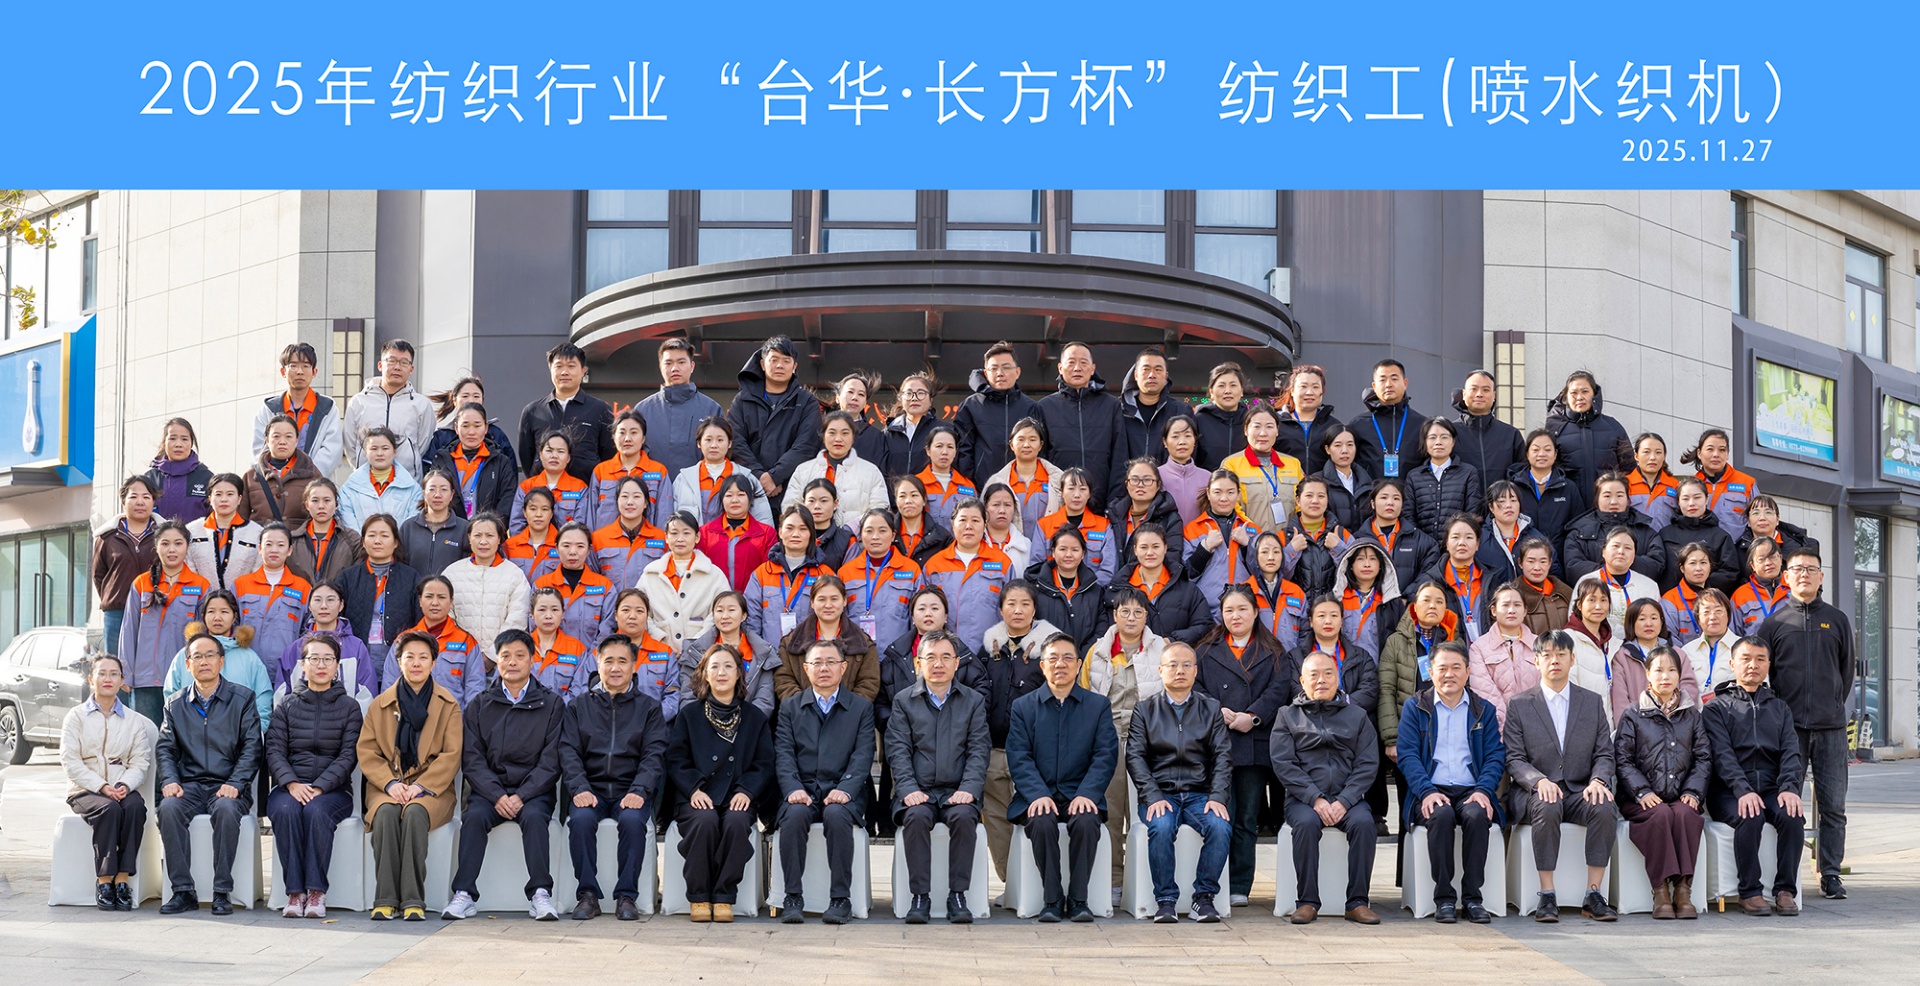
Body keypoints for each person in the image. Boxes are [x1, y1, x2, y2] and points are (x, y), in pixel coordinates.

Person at [442, 629, 567, 921]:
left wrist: (522, 796)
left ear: (532, 660)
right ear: (496, 661)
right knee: (474, 818)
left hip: (533, 793)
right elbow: (472, 758)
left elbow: (551, 761)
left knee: (535, 819)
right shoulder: (480, 704)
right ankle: (464, 894)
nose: (512, 662)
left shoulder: (551, 704)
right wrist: (497, 795)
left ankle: (540, 893)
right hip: (490, 792)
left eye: (520, 656)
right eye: (505, 656)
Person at [1502, 629, 1620, 922]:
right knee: (1548, 804)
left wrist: (1598, 780)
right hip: (1535, 792)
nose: (1554, 660)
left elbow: (1604, 753)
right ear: (1536, 661)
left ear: (1572, 659)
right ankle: (1547, 893)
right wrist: (1537, 780)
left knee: (1604, 805)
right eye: (1547, 655)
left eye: (1561, 655)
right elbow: (1514, 757)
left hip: (1580, 789)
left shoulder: (1591, 702)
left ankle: (1593, 894)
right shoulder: (1519, 704)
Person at [1758, 547, 1853, 900]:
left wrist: (1831, 706)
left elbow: (1845, 673)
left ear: (1821, 576)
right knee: (1786, 804)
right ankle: (1787, 876)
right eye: (1797, 569)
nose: (1804, 574)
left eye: (1811, 569)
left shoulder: (1837, 620)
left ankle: (1830, 874)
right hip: (1789, 731)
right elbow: (1765, 674)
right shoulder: (1775, 623)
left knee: (1834, 806)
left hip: (1831, 729)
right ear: (1786, 577)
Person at [1005, 633, 1118, 922]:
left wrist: (1087, 793)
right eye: (1053, 658)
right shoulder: (1024, 707)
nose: (1060, 664)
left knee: (1087, 821)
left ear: (1079, 665)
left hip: (1080, 793)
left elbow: (1105, 755)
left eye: (1068, 658)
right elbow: (1018, 756)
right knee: (1041, 821)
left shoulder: (1097, 706)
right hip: (1037, 795)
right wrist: (1037, 794)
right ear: (1042, 665)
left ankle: (1079, 900)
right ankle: (1052, 899)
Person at [1394, 641, 1504, 924]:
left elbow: (1495, 756)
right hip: (1430, 789)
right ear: (1430, 672)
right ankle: (1444, 898)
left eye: (1457, 667)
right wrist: (1426, 791)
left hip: (1471, 790)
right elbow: (1408, 756)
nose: (1449, 674)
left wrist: (1483, 790)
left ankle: (1472, 899)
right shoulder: (1415, 707)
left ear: (1468, 671)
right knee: (1440, 815)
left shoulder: (1483, 710)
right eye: (1442, 668)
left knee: (1478, 816)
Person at [559, 634, 668, 920]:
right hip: (590, 789)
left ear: (634, 666)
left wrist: (640, 790)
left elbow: (654, 755)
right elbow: (568, 752)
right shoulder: (579, 706)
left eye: (623, 661)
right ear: (598, 664)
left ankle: (626, 896)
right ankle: (587, 895)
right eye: (609, 661)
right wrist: (579, 788)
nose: (615, 668)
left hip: (630, 789)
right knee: (581, 821)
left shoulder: (649, 708)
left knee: (632, 822)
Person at [358, 630, 464, 921]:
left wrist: (420, 786)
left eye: (423, 657)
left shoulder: (448, 705)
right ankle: (385, 899)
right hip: (387, 786)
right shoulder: (380, 704)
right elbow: (367, 752)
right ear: (399, 662)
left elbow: (451, 754)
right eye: (410, 657)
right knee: (386, 814)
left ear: (433, 662)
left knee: (416, 813)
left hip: (432, 790)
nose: (416, 663)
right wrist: (390, 784)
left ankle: (413, 900)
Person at [1123, 640, 1231, 923]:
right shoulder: (1145, 710)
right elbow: (1135, 757)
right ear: (1160, 670)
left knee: (1220, 827)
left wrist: (1217, 797)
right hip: (1161, 794)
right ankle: (1166, 900)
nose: (1179, 670)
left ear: (1195, 671)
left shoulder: (1210, 708)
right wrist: (1152, 796)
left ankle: (1203, 898)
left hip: (1200, 794)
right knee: (1161, 827)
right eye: (1172, 665)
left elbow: (1222, 756)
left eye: (1186, 665)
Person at [1270, 651, 1381, 925]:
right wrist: (1315, 799)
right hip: (1303, 800)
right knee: (1307, 824)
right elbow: (1284, 764)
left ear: (1338, 678)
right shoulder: (1287, 716)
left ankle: (1357, 902)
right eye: (1314, 675)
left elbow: (1367, 764)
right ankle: (1307, 901)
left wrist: (1345, 800)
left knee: (1364, 823)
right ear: (1302, 681)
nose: (1321, 680)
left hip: (1348, 799)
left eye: (1328, 673)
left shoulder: (1358, 716)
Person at [155, 632, 263, 916]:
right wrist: (170, 780)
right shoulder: (175, 704)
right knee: (168, 808)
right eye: (197, 657)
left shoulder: (242, 699)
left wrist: (236, 783)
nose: (204, 662)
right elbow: (165, 748)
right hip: (189, 785)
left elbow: (252, 747)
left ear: (221, 661)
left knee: (226, 809)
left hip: (228, 785)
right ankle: (183, 891)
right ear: (187, 664)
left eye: (210, 655)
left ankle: (222, 891)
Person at [1192, 586, 1287, 906]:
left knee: (1246, 818)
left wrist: (1254, 716)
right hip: (1217, 742)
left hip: (1253, 743)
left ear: (1255, 612)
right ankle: (1213, 881)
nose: (1236, 616)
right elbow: (1195, 685)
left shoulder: (1273, 650)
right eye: (1229, 610)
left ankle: (1240, 885)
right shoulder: (1206, 649)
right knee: (1221, 815)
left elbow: (1279, 689)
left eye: (1242, 609)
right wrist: (1215, 709)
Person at [666, 644, 775, 923]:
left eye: (728, 666)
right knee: (704, 821)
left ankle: (724, 895)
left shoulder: (754, 717)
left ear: (739, 673)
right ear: (704, 674)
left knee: (737, 822)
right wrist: (693, 789)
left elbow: (764, 762)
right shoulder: (689, 715)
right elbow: (676, 759)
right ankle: (699, 896)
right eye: (714, 666)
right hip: (696, 795)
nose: (721, 672)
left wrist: (747, 791)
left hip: (738, 794)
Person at [888, 629, 991, 924]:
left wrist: (969, 788)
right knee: (916, 817)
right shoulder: (904, 701)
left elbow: (978, 750)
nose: (938, 664)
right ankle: (920, 896)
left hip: (958, 790)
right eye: (930, 657)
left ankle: (957, 895)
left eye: (946, 657)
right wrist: (908, 788)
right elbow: (898, 751)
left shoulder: (973, 701)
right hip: (917, 790)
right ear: (918, 663)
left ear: (957, 663)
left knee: (964, 817)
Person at [771, 640, 875, 925]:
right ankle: (792, 897)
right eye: (817, 663)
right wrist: (793, 788)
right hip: (802, 788)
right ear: (806, 669)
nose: (824, 668)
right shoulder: (790, 707)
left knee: (837, 815)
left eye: (831, 662)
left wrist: (846, 789)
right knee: (794, 816)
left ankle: (840, 899)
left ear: (843, 667)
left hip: (844, 790)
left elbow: (863, 755)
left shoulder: (860, 708)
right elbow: (784, 753)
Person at [1701, 636, 1807, 916]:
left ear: (1768, 665)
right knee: (1751, 815)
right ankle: (1749, 892)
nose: (1753, 665)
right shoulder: (1716, 708)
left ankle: (1785, 890)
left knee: (1792, 816)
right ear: (1732, 664)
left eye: (1760, 659)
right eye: (1746, 659)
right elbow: (1722, 755)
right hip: (1728, 791)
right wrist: (1742, 789)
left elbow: (1791, 752)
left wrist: (1789, 787)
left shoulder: (1780, 708)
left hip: (1771, 787)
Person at [265, 634, 364, 918]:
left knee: (316, 812)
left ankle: (316, 891)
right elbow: (274, 750)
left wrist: (320, 786)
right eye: (314, 659)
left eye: (327, 659)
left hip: (333, 791)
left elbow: (348, 755)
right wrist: (291, 783)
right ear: (303, 665)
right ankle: (295, 893)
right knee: (286, 810)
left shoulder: (350, 707)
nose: (321, 665)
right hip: (290, 787)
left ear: (337, 667)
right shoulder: (286, 705)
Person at [1613, 645, 1709, 920]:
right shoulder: (1633, 714)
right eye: (1658, 670)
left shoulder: (1691, 714)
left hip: (1680, 794)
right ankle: (1661, 890)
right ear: (1647, 674)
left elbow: (1703, 758)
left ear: (1680, 675)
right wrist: (1641, 791)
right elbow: (1623, 760)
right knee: (1661, 815)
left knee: (1686, 815)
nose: (1665, 676)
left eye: (1671, 670)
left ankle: (1683, 890)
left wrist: (1693, 792)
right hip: (1640, 798)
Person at [60, 654, 155, 911]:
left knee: (135, 807)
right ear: (91, 679)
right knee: (109, 809)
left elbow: (140, 762)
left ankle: (122, 880)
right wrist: (101, 786)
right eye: (102, 673)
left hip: (121, 786)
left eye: (114, 674)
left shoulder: (133, 720)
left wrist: (124, 785)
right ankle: (104, 881)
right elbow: (70, 762)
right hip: (85, 790)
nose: (108, 679)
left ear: (122, 680)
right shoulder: (76, 717)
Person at [978, 587, 1056, 884]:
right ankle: (1011, 884)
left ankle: (1037, 885)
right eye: (1011, 603)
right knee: (996, 821)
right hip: (994, 748)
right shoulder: (988, 648)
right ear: (1001, 610)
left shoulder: (1050, 650)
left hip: (1034, 752)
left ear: (1035, 609)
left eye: (1025, 603)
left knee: (1035, 816)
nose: (1018, 610)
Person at [120, 522, 210, 725]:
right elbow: (129, 630)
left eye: (178, 543)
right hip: (145, 680)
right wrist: (126, 673)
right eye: (165, 543)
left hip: (184, 680)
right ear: (156, 546)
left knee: (182, 737)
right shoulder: (141, 583)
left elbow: (204, 639)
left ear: (187, 546)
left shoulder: (201, 586)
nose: (172, 550)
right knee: (146, 736)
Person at [1377, 579, 1460, 778]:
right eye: (1426, 600)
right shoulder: (1396, 641)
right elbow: (1387, 689)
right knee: (1409, 791)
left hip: (1447, 733)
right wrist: (1392, 738)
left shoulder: (1455, 643)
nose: (1433, 606)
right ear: (1414, 607)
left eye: (1439, 602)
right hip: (1408, 732)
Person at [727, 335, 824, 500]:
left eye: (786, 361)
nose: (780, 365)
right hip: (748, 490)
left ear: (794, 366)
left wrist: (776, 476)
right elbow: (735, 441)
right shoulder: (743, 400)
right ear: (762, 364)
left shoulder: (806, 402)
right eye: (774, 360)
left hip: (792, 489)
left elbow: (806, 445)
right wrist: (759, 476)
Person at [161, 592, 275, 733]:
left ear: (234, 617)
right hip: (191, 737)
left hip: (238, 739)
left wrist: (252, 736)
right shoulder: (185, 655)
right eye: (211, 611)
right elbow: (171, 696)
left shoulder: (250, 658)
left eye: (224, 612)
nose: (217, 617)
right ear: (203, 616)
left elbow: (263, 702)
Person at [1035, 343, 1127, 506]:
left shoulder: (1111, 406)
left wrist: (1114, 502)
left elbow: (1120, 457)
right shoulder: (1045, 407)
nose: (1077, 368)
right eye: (1071, 362)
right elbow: (1041, 458)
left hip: (1102, 502)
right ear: (1060, 368)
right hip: (1059, 502)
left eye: (1083, 363)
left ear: (1092, 369)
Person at [516, 342, 616, 484]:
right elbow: (527, 458)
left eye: (571, 366)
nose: (564, 372)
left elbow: (609, 457)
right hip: (543, 494)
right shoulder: (532, 412)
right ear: (550, 369)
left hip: (586, 492)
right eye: (559, 366)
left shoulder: (600, 410)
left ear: (583, 370)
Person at [773, 574, 882, 703]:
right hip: (802, 712)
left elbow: (869, 683)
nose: (828, 605)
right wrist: (804, 706)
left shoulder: (863, 643)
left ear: (844, 601)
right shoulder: (791, 642)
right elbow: (784, 680)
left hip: (849, 713)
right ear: (812, 603)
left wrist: (847, 708)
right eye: (822, 599)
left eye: (834, 599)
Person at [1101, 523, 1212, 645]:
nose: (1150, 553)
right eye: (1144, 547)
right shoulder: (1118, 589)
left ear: (1165, 548)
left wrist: (1172, 640)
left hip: (1172, 654)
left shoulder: (1186, 589)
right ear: (1135, 550)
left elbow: (1204, 625)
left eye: (1155, 547)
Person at [443, 512, 530, 668]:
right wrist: (464, 653)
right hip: (457, 659)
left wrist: (492, 656)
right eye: (477, 535)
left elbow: (517, 619)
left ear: (499, 539)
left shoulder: (514, 575)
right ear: (469, 538)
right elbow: (445, 616)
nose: (483, 541)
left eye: (490, 536)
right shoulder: (452, 573)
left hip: (502, 663)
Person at [338, 514, 421, 676]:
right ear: (363, 542)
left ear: (395, 542)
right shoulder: (348, 577)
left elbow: (419, 620)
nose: (377, 541)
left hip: (399, 660)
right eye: (371, 535)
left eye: (384, 535)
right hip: (356, 658)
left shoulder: (411, 577)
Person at [677, 591, 782, 717]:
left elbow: (764, 701)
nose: (725, 616)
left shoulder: (762, 653)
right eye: (719, 611)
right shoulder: (695, 652)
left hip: (749, 724)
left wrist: (742, 723)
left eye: (731, 610)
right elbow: (688, 697)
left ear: (744, 616)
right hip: (704, 723)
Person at [1280, 595, 1381, 726]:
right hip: (1310, 726)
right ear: (1311, 621)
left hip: (1352, 724)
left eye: (1334, 615)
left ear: (1341, 620)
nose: (1328, 621)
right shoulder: (1295, 657)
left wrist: (1342, 704)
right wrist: (1323, 709)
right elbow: (1294, 690)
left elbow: (1370, 690)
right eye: (1321, 616)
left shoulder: (1361, 656)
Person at [1561, 474, 1670, 593]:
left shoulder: (1645, 531)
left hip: (1636, 595)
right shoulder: (1578, 531)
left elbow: (1656, 563)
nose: (1614, 502)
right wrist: (1608, 571)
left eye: (1619, 495)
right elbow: (1573, 566)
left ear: (1628, 499)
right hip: (1594, 596)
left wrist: (1623, 565)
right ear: (1597, 500)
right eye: (1607, 496)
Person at [641, 512, 730, 653]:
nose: (680, 539)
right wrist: (660, 639)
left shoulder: (714, 574)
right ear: (666, 537)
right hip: (659, 652)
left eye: (686, 533)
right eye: (674, 533)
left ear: (697, 537)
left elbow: (721, 612)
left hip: (703, 653)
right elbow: (640, 612)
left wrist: (696, 645)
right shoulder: (650, 574)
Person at [391, 576, 487, 705]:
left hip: (452, 715)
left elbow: (475, 690)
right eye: (429, 596)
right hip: (408, 715)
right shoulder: (403, 640)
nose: (435, 603)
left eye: (441, 597)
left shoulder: (466, 642)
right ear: (420, 601)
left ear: (451, 601)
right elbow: (390, 684)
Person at [234, 524, 312, 684]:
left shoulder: (303, 588)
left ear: (289, 550)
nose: (274, 550)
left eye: (281, 545)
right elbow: (230, 627)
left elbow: (308, 631)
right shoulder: (240, 585)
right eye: (268, 544)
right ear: (259, 549)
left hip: (286, 672)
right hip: (245, 671)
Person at [956, 341, 1043, 483]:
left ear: (1017, 372)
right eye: (994, 368)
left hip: (1023, 486)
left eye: (1006, 368)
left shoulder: (1031, 407)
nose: (1000, 373)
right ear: (986, 373)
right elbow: (962, 451)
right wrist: (972, 484)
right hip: (982, 488)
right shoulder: (971, 406)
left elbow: (1040, 450)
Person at [636, 338, 723, 479]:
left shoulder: (711, 409)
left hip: (700, 488)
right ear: (660, 367)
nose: (675, 368)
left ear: (692, 366)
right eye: (668, 363)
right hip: (653, 488)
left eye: (681, 362)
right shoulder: (643, 410)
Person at [838, 509, 923, 652]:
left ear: (893, 535)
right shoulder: (845, 573)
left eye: (882, 531)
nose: (875, 537)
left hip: (898, 655)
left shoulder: (911, 570)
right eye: (869, 531)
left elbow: (917, 619)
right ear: (861, 535)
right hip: (857, 654)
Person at [277, 581, 377, 702]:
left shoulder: (356, 647)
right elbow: (282, 696)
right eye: (317, 600)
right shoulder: (294, 649)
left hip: (347, 714)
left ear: (341, 605)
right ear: (309, 606)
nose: (323, 606)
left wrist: (353, 715)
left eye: (330, 600)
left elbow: (367, 694)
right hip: (301, 714)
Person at [93, 476, 161, 656]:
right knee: (116, 664)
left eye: (146, 497)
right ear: (123, 501)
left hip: (155, 609)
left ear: (153, 501)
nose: (140, 502)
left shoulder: (165, 534)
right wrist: (113, 596)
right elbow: (99, 575)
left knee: (152, 663)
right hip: (117, 613)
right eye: (133, 496)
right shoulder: (107, 537)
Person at [784, 411, 889, 526]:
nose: (838, 439)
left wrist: (852, 530)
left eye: (845, 433)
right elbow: (790, 508)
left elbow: (880, 508)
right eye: (832, 433)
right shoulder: (803, 471)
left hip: (856, 536)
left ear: (853, 437)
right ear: (823, 436)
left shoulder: (871, 471)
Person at [344, 340, 435, 471]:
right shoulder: (358, 402)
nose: (397, 367)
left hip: (407, 480)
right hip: (366, 479)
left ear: (411, 369)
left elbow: (422, 446)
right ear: (380, 365)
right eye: (392, 361)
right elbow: (350, 444)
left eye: (404, 362)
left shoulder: (421, 405)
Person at [1609, 599, 1702, 725]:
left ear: (1661, 621)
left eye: (1654, 618)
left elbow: (1689, 690)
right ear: (1631, 623)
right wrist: (1628, 729)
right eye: (1642, 619)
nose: (1649, 624)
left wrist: (1680, 724)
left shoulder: (1677, 653)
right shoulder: (1622, 656)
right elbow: (1620, 699)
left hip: (1675, 725)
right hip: (1637, 727)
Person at [675, 417, 775, 526]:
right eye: (708, 440)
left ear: (729, 443)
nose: (714, 445)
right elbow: (673, 520)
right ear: (699, 443)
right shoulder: (684, 479)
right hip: (695, 537)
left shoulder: (747, 477)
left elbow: (763, 519)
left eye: (720, 440)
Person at [1544, 370, 1630, 497]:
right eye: (1574, 393)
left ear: (1594, 394)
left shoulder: (1612, 426)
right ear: (1566, 397)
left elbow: (1629, 469)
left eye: (1585, 392)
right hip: (1568, 503)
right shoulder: (1555, 429)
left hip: (1606, 503)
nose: (1579, 397)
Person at [533, 523, 618, 650]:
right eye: (566, 546)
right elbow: (535, 630)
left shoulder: (605, 587)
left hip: (593, 659)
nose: (573, 552)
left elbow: (607, 631)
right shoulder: (541, 586)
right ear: (556, 548)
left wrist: (590, 659)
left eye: (580, 546)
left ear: (589, 550)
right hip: (551, 660)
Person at [429, 401, 518, 522]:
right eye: (465, 426)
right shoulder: (442, 459)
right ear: (456, 427)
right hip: (449, 529)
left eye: (477, 426)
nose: (471, 432)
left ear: (486, 428)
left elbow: (507, 500)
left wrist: (492, 527)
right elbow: (434, 497)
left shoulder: (500, 462)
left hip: (487, 531)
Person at [1220, 407, 1303, 535]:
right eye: (1256, 426)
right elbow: (1230, 507)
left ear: (1277, 430)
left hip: (1288, 540)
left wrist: (1289, 535)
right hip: (1247, 539)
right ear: (1246, 430)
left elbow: (1302, 504)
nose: (1263, 433)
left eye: (1269, 427)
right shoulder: (1231, 464)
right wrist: (1257, 536)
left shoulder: (1293, 464)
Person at [1183, 470, 1258, 611]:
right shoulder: (1192, 529)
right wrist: (1204, 549)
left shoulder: (1251, 529)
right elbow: (1185, 575)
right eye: (1217, 492)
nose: (1224, 498)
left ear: (1238, 494)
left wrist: (1248, 546)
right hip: (1205, 608)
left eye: (1230, 492)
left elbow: (1264, 571)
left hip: (1243, 608)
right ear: (1208, 493)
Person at [1571, 527, 1662, 642]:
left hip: (1639, 647)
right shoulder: (1587, 582)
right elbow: (1575, 621)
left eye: (1628, 548)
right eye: (1615, 546)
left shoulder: (1649, 586)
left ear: (1634, 555)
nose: (1621, 552)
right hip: (1597, 645)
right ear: (1603, 551)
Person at [1467, 584, 1540, 728]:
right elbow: (1484, 692)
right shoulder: (1479, 648)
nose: (1511, 610)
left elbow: (1547, 687)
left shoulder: (1540, 644)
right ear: (1494, 610)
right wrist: (1508, 726)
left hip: (1536, 726)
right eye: (1505, 605)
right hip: (1497, 728)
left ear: (1525, 610)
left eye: (1517, 605)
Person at [590, 410, 673, 532]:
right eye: (622, 433)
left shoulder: (659, 471)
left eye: (634, 433)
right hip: (606, 543)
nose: (627, 439)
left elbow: (664, 515)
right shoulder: (601, 471)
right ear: (614, 437)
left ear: (643, 438)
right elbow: (590, 515)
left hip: (647, 542)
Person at [421, 377, 517, 480]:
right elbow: (428, 474)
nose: (471, 400)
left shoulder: (495, 434)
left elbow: (511, 473)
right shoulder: (441, 437)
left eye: (476, 396)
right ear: (454, 400)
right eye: (465, 396)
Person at [1430, 514, 1508, 641]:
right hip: (1449, 651)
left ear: (1477, 544)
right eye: (1455, 537)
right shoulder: (1432, 582)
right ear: (1447, 544)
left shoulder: (1492, 582)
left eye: (1469, 537)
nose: (1462, 543)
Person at [1657, 478, 1743, 594]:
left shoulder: (1720, 536)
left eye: (1697, 497)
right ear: (1678, 502)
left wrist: (1699, 585)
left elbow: (1730, 573)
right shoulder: (1665, 534)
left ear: (1706, 499)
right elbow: (1658, 569)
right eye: (1685, 499)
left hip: (1707, 600)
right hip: (1670, 600)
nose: (1691, 503)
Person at [1348, 358, 1427, 482]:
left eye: (1394, 379)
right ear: (1374, 386)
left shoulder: (1422, 425)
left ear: (1405, 383)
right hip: (1370, 493)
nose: (1388, 384)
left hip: (1410, 493)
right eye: (1382, 380)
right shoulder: (1358, 425)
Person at [986, 417, 1061, 546]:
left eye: (1032, 440)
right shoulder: (997, 482)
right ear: (1012, 445)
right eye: (1021, 439)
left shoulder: (1059, 480)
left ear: (1041, 445)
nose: (1026, 445)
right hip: (1010, 550)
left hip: (1049, 549)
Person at [1027, 527, 1106, 649]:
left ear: (1083, 553)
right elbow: (1029, 627)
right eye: (1063, 549)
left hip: (1085, 658)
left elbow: (1101, 628)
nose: (1068, 555)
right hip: (1046, 657)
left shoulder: (1094, 590)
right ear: (1053, 552)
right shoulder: (1036, 589)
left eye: (1075, 550)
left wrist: (1081, 655)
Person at [1406, 419, 1483, 543]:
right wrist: (1422, 544)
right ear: (1425, 442)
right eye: (1432, 437)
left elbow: (1472, 512)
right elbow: (1408, 516)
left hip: (1457, 546)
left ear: (1453, 441)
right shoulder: (1414, 476)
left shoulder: (1468, 473)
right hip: (1422, 547)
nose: (1438, 442)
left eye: (1444, 437)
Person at [1509, 428, 1585, 556]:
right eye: (1535, 450)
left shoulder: (1568, 487)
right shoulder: (1514, 486)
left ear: (1555, 454)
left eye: (1547, 450)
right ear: (1527, 454)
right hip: (1522, 557)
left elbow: (1578, 526)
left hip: (1559, 557)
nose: (1541, 454)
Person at [697, 475, 779, 592]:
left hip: (752, 600)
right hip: (714, 599)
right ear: (722, 499)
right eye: (729, 495)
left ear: (750, 498)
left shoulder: (766, 534)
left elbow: (770, 574)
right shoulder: (704, 533)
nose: (734, 500)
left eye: (741, 495)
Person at [186, 473, 264, 592]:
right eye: (218, 494)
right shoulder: (192, 530)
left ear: (239, 499)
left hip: (243, 599)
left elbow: (258, 570)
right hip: (201, 599)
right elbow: (189, 568)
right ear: (210, 498)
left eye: (230, 494)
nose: (224, 499)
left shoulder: (256, 532)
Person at [1450, 369, 1525, 488]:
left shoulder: (1511, 435)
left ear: (1494, 396)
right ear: (1464, 394)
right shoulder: (1449, 433)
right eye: (1474, 389)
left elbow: (1522, 476)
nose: (1479, 394)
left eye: (1485, 390)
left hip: (1500, 500)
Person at [244, 415, 323, 527]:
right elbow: (240, 518)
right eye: (276, 436)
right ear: (267, 440)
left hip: (298, 537)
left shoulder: (312, 474)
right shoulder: (251, 476)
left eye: (288, 436)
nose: (282, 442)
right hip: (260, 537)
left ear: (297, 440)